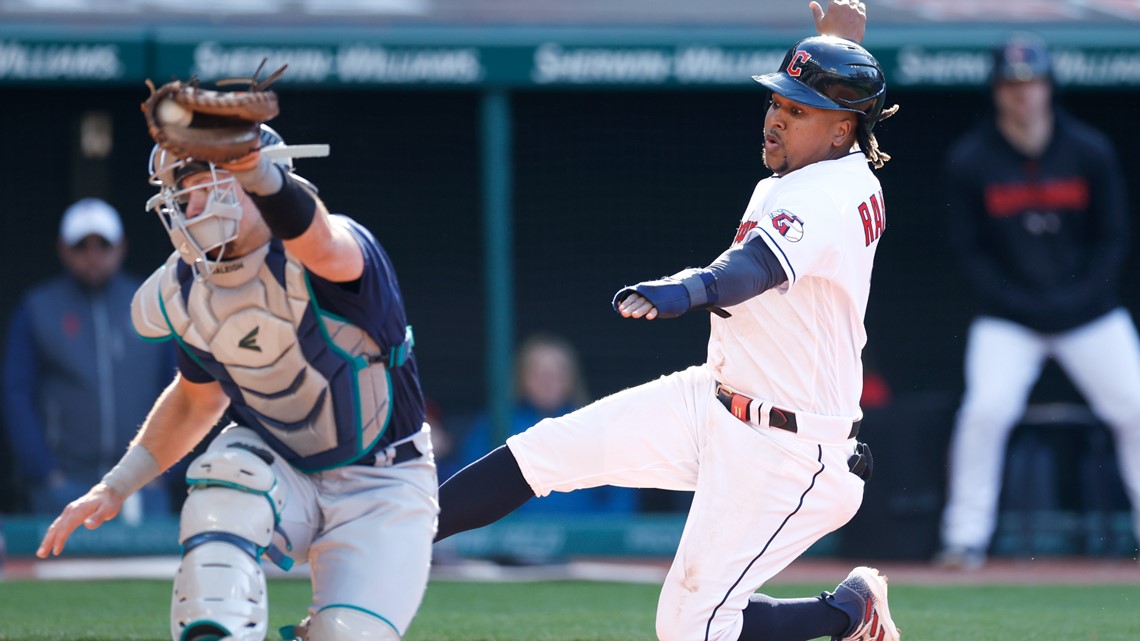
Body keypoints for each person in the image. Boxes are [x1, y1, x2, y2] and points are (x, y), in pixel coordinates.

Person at [435, 2, 903, 640]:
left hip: (791, 450)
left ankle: (848, 612)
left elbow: (750, 272)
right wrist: (835, 46)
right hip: (712, 398)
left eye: (797, 110)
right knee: (543, 453)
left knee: (690, 628)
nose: (775, 118)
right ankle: (398, 531)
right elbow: (830, 117)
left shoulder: (831, 194)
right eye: (777, 102)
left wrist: (687, 290)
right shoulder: (811, 168)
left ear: (843, 130)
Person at [36, 116, 437, 641]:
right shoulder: (188, 287)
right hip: (282, 468)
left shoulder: (334, 247)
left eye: (206, 182)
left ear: (259, 178)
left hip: (383, 479)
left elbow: (321, 245)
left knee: (348, 634)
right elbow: (196, 400)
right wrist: (116, 486)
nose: (191, 203)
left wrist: (260, 174)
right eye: (183, 189)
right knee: (227, 476)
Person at [936, 32, 1140, 570]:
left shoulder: (1089, 149)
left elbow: (1113, 238)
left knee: (1135, 407)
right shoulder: (971, 158)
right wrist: (1024, 304)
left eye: (1032, 83)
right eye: (1012, 84)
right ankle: (964, 540)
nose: (1022, 94)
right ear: (997, 91)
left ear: (1049, 87)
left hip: (1089, 313)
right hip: (1010, 318)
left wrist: (1077, 297)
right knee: (985, 410)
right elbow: (969, 253)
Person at [2, 198, 175, 517]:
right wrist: (46, 473)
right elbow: (17, 395)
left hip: (142, 483)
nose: (93, 256)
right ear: (63, 250)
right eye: (82, 246)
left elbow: (182, 385)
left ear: (121, 247)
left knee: (148, 568)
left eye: (103, 245)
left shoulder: (150, 302)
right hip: (64, 485)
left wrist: (164, 473)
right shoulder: (37, 308)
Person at [454, 332, 638, 514]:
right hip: (511, 541)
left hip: (585, 541)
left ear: (571, 378)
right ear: (522, 377)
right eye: (538, 372)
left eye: (557, 372)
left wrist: (596, 536)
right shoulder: (494, 424)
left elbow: (620, 496)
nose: (548, 380)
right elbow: (473, 489)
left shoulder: (595, 426)